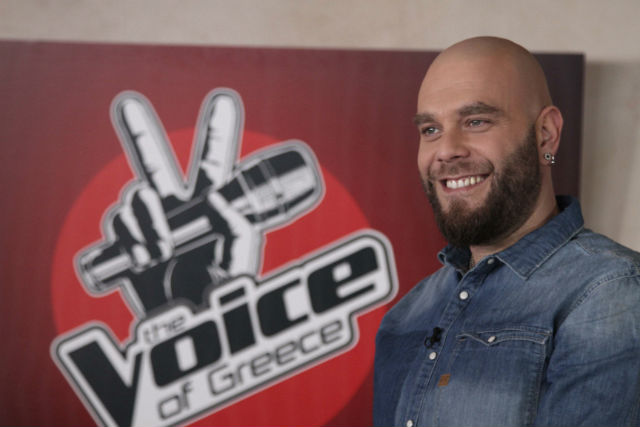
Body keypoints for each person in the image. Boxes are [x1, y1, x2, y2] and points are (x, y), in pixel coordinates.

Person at [373, 36, 640, 427]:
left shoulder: (610, 292)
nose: (446, 150)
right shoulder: (407, 314)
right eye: (430, 129)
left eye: (476, 122)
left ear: (545, 134)